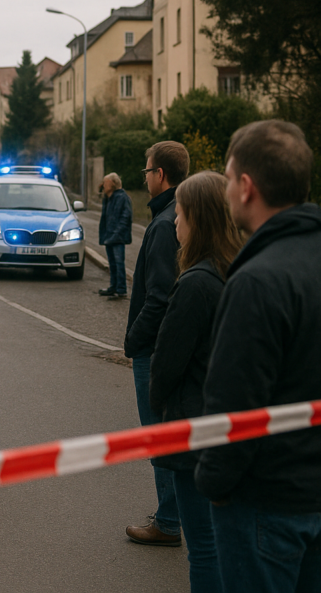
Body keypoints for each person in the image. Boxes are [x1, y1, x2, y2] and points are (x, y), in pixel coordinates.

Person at [194, 121, 321, 592]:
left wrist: (213, 483)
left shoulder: (257, 282)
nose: (227, 189)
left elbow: (234, 403)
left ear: (246, 188)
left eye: (228, 178)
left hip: (264, 505)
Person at [149, 171, 243, 593]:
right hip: (226, 426)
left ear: (198, 220)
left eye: (181, 214)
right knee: (223, 543)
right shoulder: (235, 271)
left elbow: (167, 362)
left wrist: (159, 407)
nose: (174, 223)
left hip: (194, 427)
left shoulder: (195, 284)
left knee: (203, 546)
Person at [124, 140, 189, 546]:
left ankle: (168, 522)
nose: (144, 177)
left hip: (154, 351)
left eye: (147, 171)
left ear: (160, 174)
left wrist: (134, 340)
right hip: (164, 348)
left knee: (160, 438)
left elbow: (160, 296)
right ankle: (171, 516)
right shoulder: (176, 215)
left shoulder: (165, 223)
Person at [98, 172, 133, 298]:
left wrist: (117, 233)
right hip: (109, 236)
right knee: (112, 263)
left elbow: (126, 217)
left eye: (106, 182)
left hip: (118, 237)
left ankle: (121, 289)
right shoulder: (108, 198)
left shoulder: (122, 198)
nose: (103, 185)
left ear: (113, 183)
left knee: (119, 263)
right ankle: (114, 286)